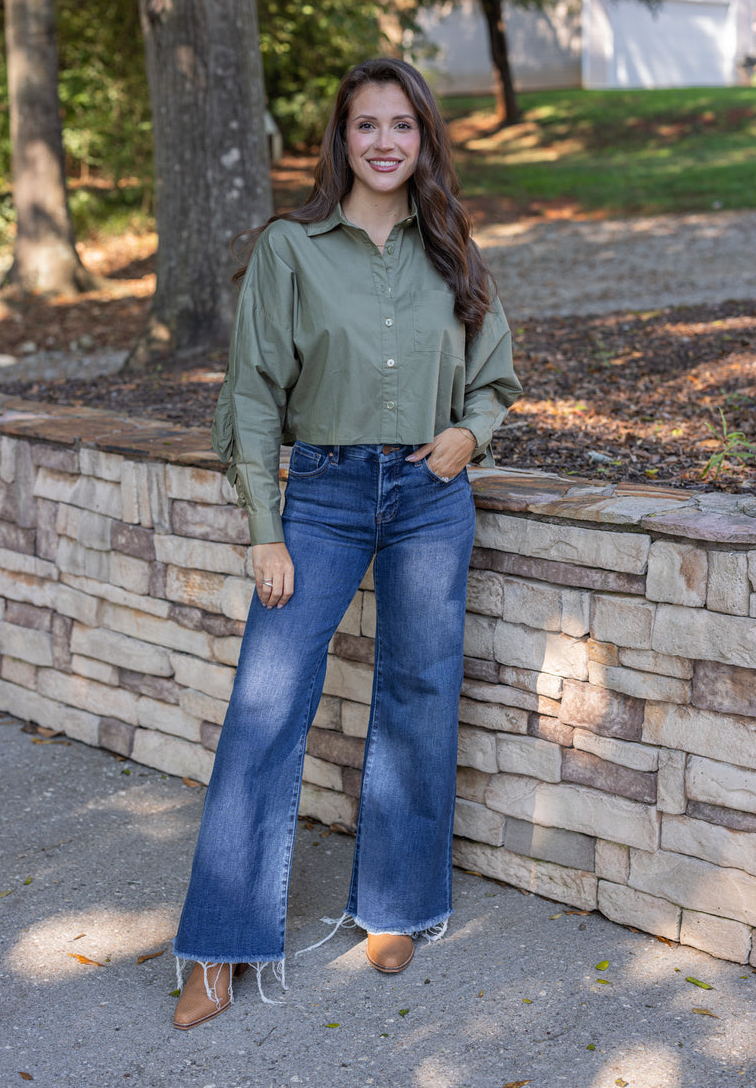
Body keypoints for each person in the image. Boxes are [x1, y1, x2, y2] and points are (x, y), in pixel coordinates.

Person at [171, 57, 522, 1030]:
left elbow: (492, 375)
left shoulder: (452, 248)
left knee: (418, 690)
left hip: (428, 492)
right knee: (264, 704)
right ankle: (218, 943)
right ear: (341, 138)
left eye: (400, 125)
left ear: (422, 139)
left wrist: (468, 434)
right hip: (319, 495)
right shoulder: (291, 248)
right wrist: (263, 528)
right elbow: (248, 393)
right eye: (365, 124)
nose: (382, 141)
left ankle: (397, 905)